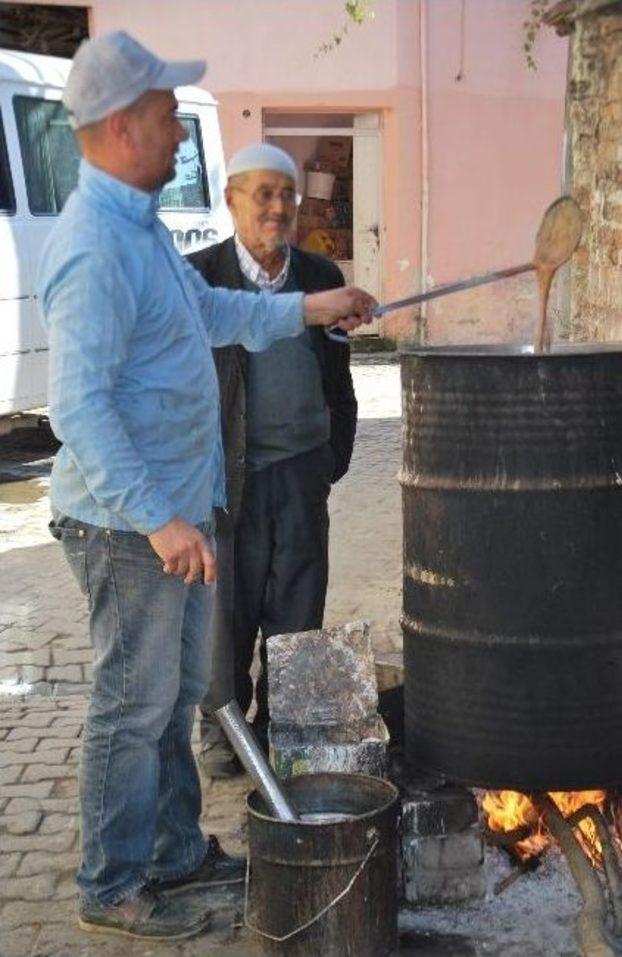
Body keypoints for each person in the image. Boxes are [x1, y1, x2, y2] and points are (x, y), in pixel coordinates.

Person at [38, 31, 375, 942]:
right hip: (126, 525)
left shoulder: (140, 229)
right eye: (164, 119)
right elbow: (78, 408)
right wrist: (158, 520)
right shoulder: (94, 248)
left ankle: (177, 848)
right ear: (118, 127)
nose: (181, 138)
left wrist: (312, 306)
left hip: (179, 510)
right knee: (131, 703)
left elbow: (217, 311)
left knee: (182, 691)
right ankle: (111, 882)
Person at [189, 144, 358, 777]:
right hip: (226, 477)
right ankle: (225, 734)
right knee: (225, 613)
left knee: (298, 607)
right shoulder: (199, 276)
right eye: (263, 193)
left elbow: (336, 374)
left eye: (286, 194)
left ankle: (283, 730)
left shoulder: (319, 275)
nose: (279, 206)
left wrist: (333, 454)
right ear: (231, 199)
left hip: (301, 470)